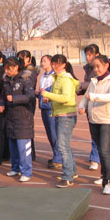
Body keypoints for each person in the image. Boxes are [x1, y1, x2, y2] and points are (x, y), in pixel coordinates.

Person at [78, 55, 110, 195]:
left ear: (106, 65)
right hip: (94, 120)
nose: (96, 69)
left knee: (105, 151)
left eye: (98, 66)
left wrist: (94, 97)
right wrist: (82, 106)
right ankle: (104, 176)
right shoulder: (94, 81)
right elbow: (86, 96)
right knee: (100, 150)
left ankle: (109, 182)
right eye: (94, 67)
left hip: (106, 120)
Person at [41, 54, 80, 188]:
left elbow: (66, 98)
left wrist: (47, 94)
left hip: (66, 116)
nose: (54, 66)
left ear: (64, 64)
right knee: (65, 146)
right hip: (60, 114)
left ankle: (68, 177)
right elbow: (59, 96)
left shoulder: (65, 79)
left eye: (57, 63)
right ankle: (72, 171)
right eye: (53, 63)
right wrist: (50, 98)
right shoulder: (57, 78)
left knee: (62, 147)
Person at [0, 57, 35, 182]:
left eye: (9, 68)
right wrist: (1, 104)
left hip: (23, 119)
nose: (7, 71)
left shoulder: (25, 80)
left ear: (16, 67)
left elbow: (30, 97)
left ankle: (26, 171)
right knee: (13, 147)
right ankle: (15, 168)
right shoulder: (6, 81)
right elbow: (3, 97)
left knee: (23, 148)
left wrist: (14, 99)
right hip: (11, 119)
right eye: (6, 69)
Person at [77, 44, 101, 171]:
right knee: (95, 133)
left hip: (100, 105)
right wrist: (80, 90)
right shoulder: (87, 69)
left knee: (99, 133)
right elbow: (88, 88)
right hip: (91, 104)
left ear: (97, 55)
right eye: (86, 54)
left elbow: (96, 83)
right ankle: (96, 157)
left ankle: (96, 158)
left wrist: (82, 85)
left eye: (90, 54)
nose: (87, 57)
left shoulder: (99, 69)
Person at [36, 54, 62, 170]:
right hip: (44, 107)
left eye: (45, 61)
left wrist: (47, 93)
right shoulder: (42, 77)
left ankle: (59, 158)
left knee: (54, 133)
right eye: (42, 61)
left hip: (52, 108)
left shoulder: (54, 76)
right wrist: (38, 94)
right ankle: (56, 155)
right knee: (49, 134)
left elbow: (55, 92)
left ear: (51, 62)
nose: (43, 63)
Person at [17, 49, 37, 161]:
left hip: (27, 102)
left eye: (21, 58)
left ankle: (30, 154)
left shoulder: (29, 72)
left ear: (28, 59)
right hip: (22, 101)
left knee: (26, 129)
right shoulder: (23, 70)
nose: (19, 60)